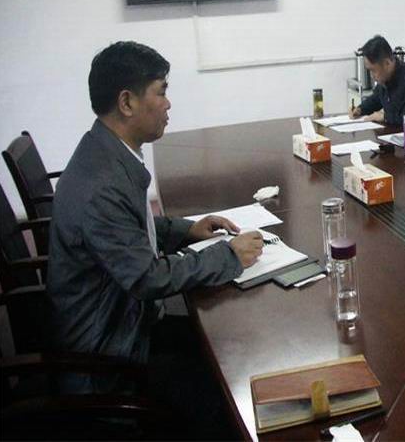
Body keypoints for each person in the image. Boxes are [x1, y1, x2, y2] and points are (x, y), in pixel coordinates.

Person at [46, 41, 264, 395]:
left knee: (234, 343)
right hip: (109, 362)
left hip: (122, 324)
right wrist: (228, 255)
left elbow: (129, 229)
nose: (168, 103)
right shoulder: (102, 186)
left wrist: (187, 230)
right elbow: (147, 278)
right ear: (127, 102)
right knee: (233, 367)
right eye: (161, 92)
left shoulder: (105, 152)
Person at [350, 35, 405, 124]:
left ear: (387, 63)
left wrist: (385, 117)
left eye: (373, 70)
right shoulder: (386, 79)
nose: (372, 76)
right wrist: (360, 109)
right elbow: (376, 99)